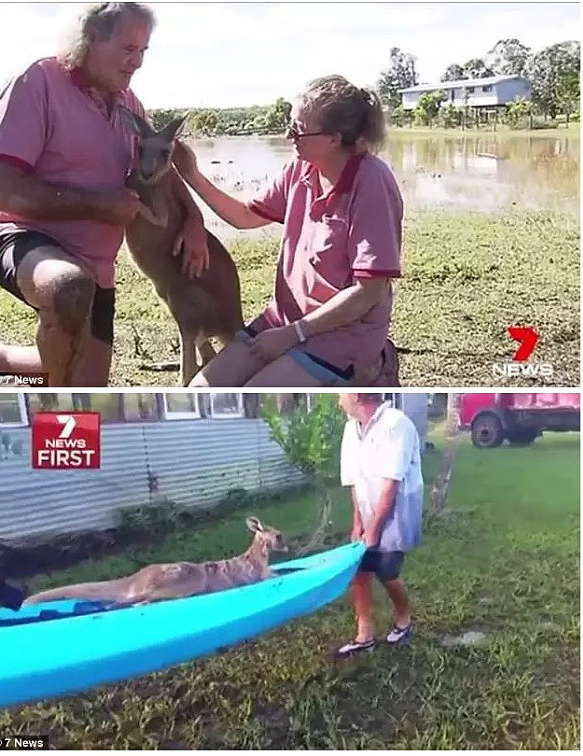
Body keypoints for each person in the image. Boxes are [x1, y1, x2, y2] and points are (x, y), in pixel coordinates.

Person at [0, 2, 208, 387]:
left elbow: (163, 168)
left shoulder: (130, 104)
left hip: (97, 266)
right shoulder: (37, 82)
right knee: (69, 287)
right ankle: (56, 406)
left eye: (143, 51)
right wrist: (95, 204)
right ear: (89, 39)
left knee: (86, 373)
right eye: (128, 49)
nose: (137, 62)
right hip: (25, 240)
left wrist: (195, 219)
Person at [172, 74, 404, 387]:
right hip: (284, 320)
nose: (286, 135)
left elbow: (367, 293)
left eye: (297, 130)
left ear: (334, 139)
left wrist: (293, 335)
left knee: (255, 399)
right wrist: (192, 175)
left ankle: (372, 368)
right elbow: (245, 216)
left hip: (341, 337)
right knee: (203, 391)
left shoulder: (371, 182)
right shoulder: (301, 168)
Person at [335, 393, 424, 658]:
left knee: (387, 572)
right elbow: (353, 479)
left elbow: (391, 484)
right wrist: (357, 521)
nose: (338, 400)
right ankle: (365, 636)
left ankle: (404, 620)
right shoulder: (351, 428)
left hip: (396, 511)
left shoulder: (396, 424)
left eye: (341, 395)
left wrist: (374, 530)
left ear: (357, 396)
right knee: (359, 571)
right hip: (366, 508)